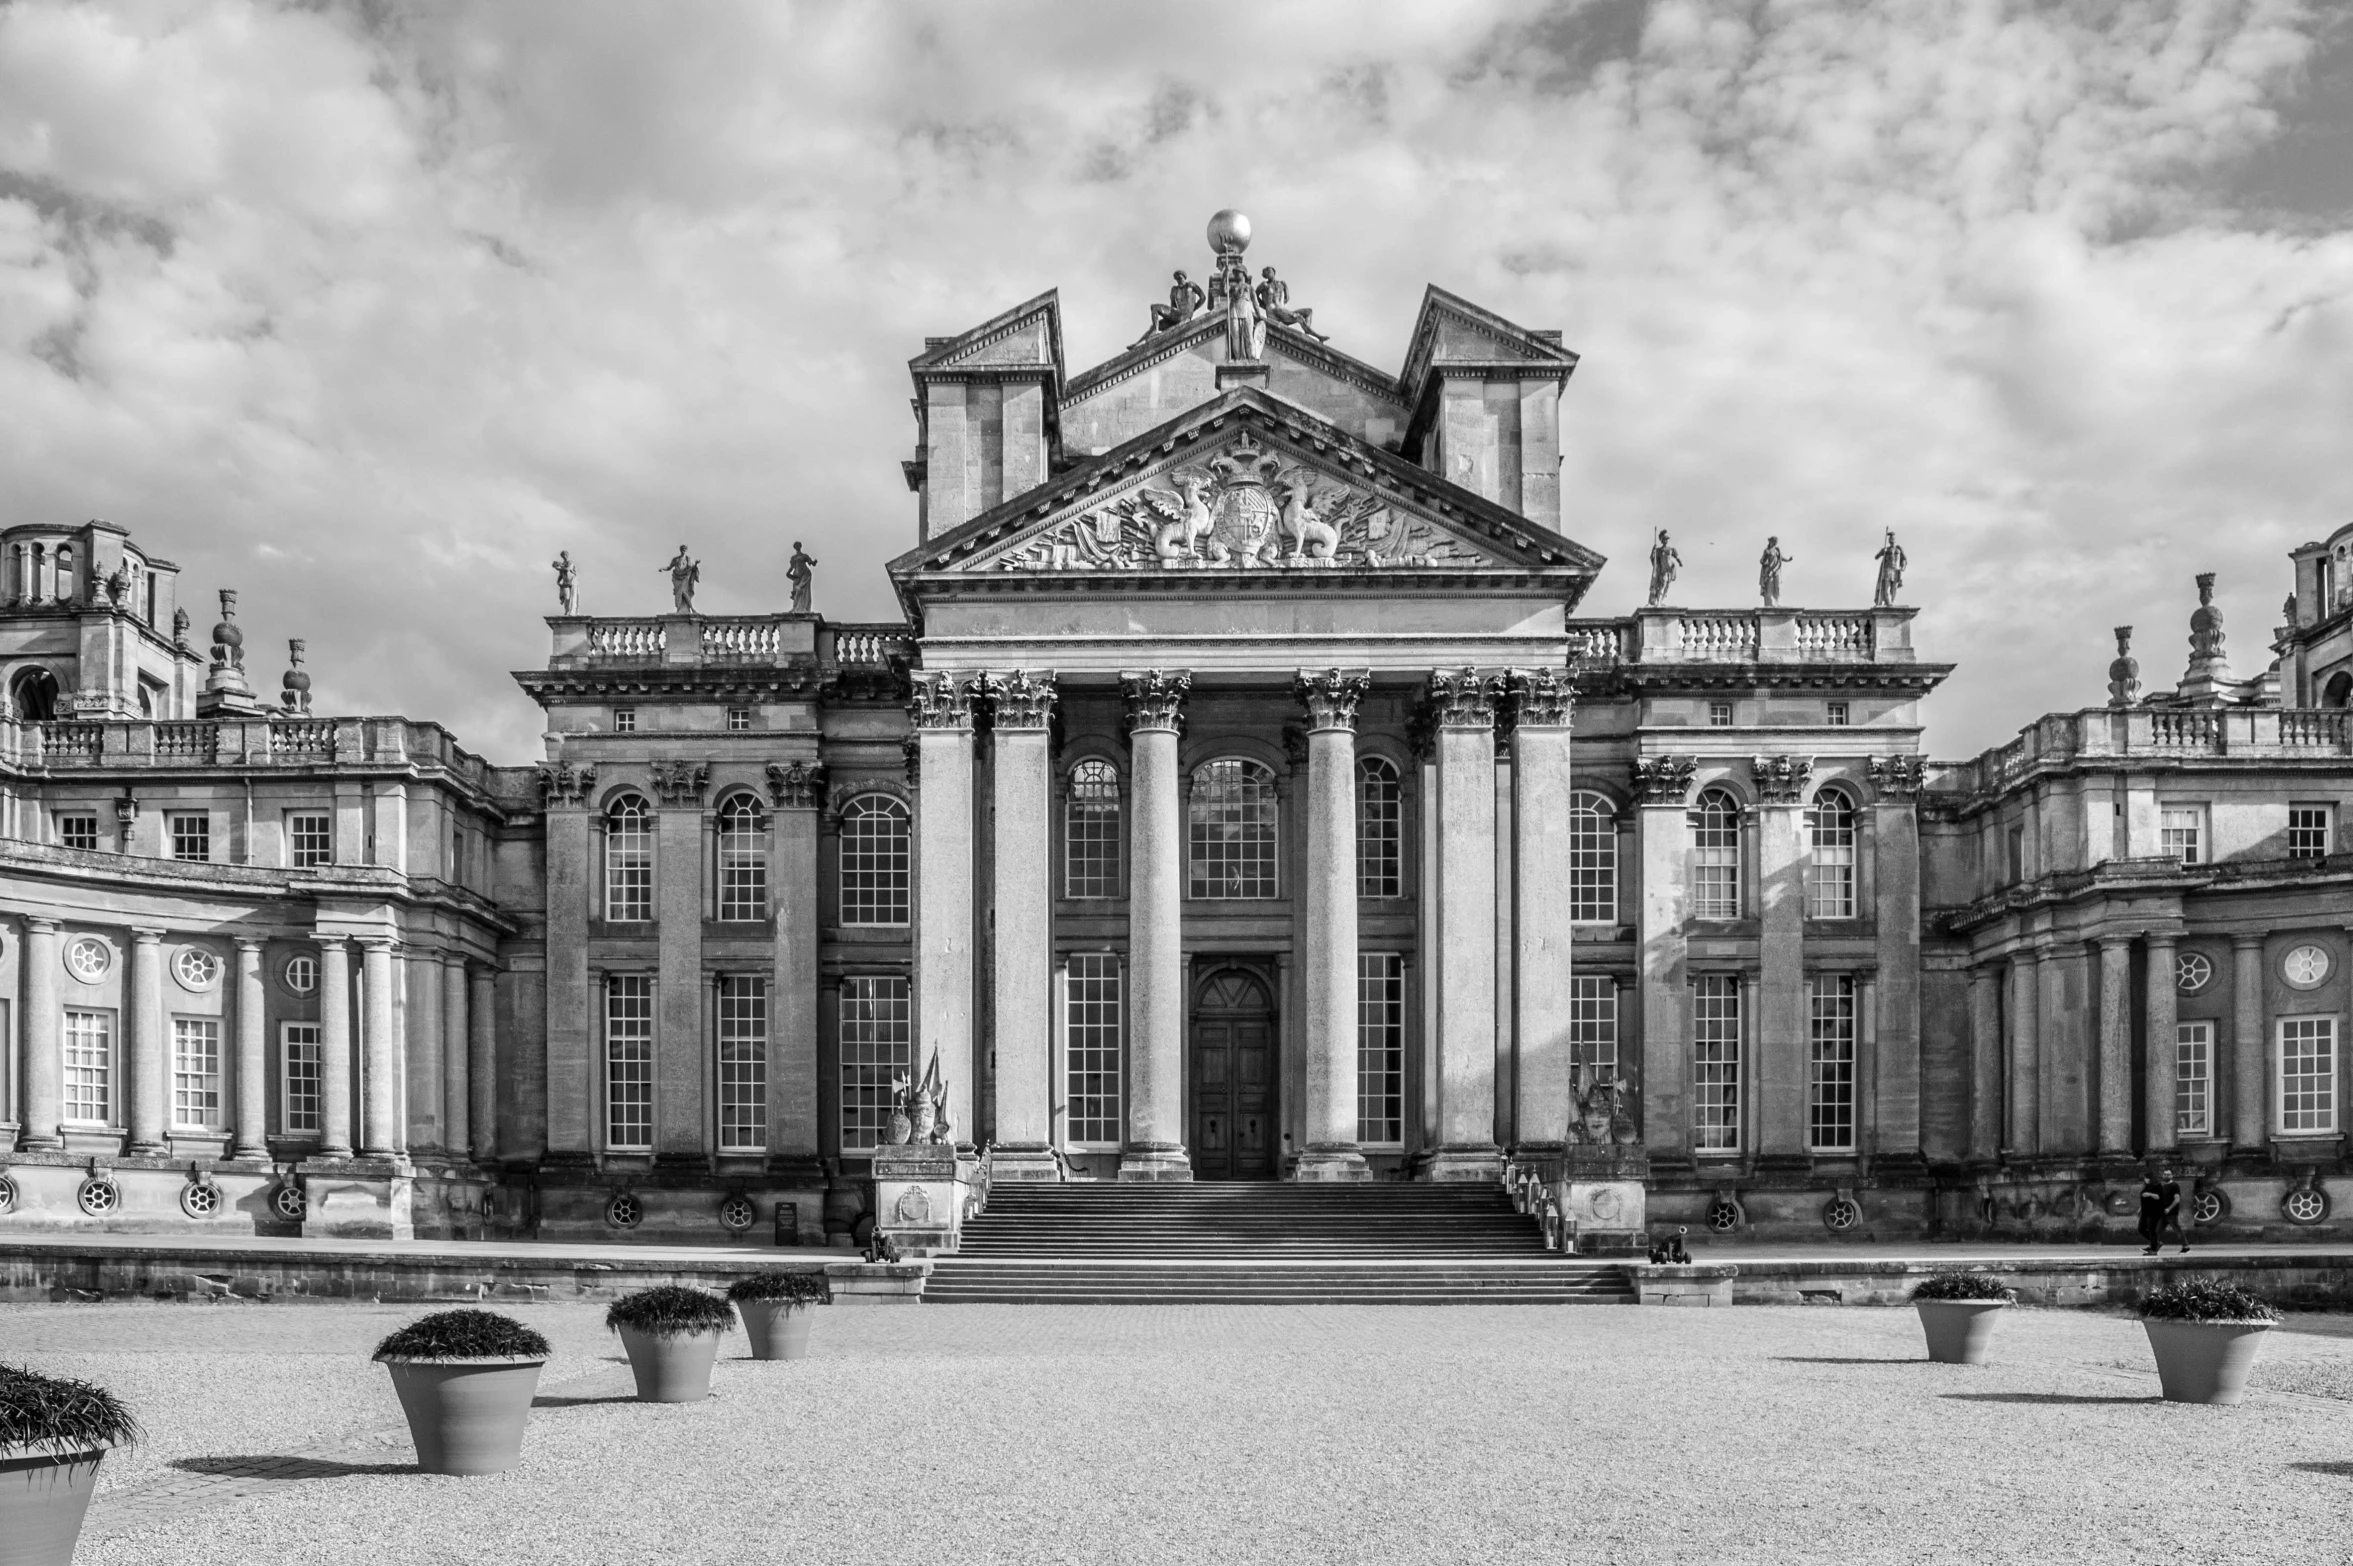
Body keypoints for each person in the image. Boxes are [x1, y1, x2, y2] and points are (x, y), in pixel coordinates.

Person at [2139, 1165, 2189, 1254]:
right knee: (2157, 1231)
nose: (2166, 1176)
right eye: (2165, 1174)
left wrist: (2169, 1208)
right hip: (2162, 1212)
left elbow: (2177, 1199)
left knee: (2177, 1229)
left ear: (2172, 1176)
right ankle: (2154, 1246)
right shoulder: (2162, 1186)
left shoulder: (2174, 1185)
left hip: (2171, 1213)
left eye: (2168, 1174)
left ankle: (2186, 1246)